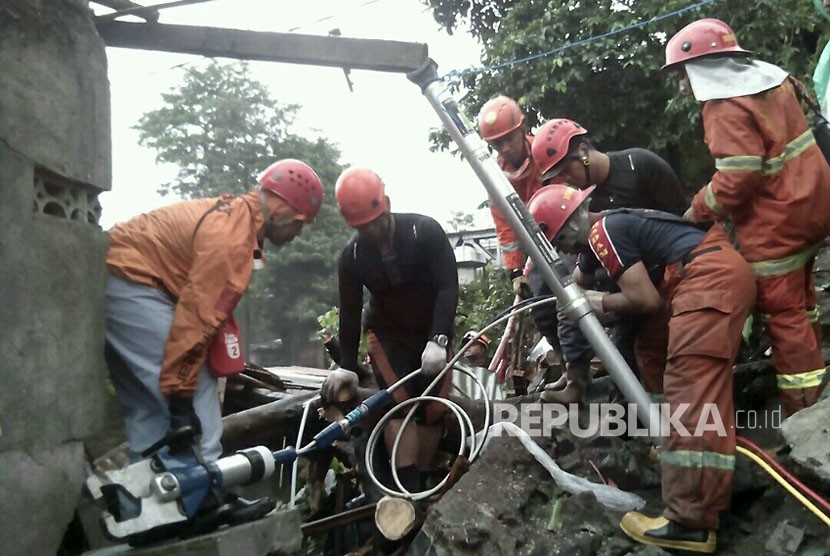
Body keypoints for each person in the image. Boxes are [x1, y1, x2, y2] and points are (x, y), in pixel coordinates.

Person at [528, 184, 756, 554]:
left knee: (691, 390)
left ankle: (690, 522)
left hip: (707, 281)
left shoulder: (603, 232)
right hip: (706, 274)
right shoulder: (599, 238)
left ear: (569, 231)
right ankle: (669, 443)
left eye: (563, 244)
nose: (568, 253)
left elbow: (644, 299)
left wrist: (595, 301)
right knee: (651, 350)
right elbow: (573, 293)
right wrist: (574, 369)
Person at [105, 158, 323, 465]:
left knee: (149, 413)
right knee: (192, 393)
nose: (298, 232)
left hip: (121, 278)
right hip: (135, 282)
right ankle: (205, 490)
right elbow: (198, 322)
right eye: (299, 222)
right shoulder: (232, 242)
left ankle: (148, 505)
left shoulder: (236, 219)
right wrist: (181, 398)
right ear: (280, 209)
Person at [664, 17, 830, 415]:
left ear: (703, 66)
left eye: (684, 74)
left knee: (785, 317)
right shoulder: (771, 83)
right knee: (804, 304)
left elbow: (739, 176)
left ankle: (803, 414)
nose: (683, 85)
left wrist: (699, 206)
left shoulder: (724, 106)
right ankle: (818, 386)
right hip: (814, 206)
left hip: (777, 226)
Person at [529, 118, 688, 403]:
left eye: (567, 169)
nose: (566, 179)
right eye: (559, 176)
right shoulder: (582, 207)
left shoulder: (639, 166)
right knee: (627, 379)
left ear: (584, 151)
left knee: (680, 366)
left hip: (674, 278)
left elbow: (684, 220)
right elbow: (581, 274)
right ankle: (578, 382)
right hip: (626, 287)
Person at [320, 167, 459, 494]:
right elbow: (351, 311)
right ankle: (405, 489)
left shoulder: (423, 231)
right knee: (399, 405)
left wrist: (438, 338)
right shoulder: (352, 257)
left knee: (434, 408)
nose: (373, 232)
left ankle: (425, 486)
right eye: (363, 228)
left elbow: (447, 286)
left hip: (430, 330)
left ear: (388, 205)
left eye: (376, 222)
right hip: (388, 335)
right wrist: (347, 367)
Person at [477, 95, 545, 298]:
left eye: (509, 139)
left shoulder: (544, 153)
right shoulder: (495, 178)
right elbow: (505, 227)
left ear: (523, 129)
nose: (505, 148)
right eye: (497, 143)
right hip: (537, 251)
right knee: (541, 309)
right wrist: (515, 271)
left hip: (567, 240)